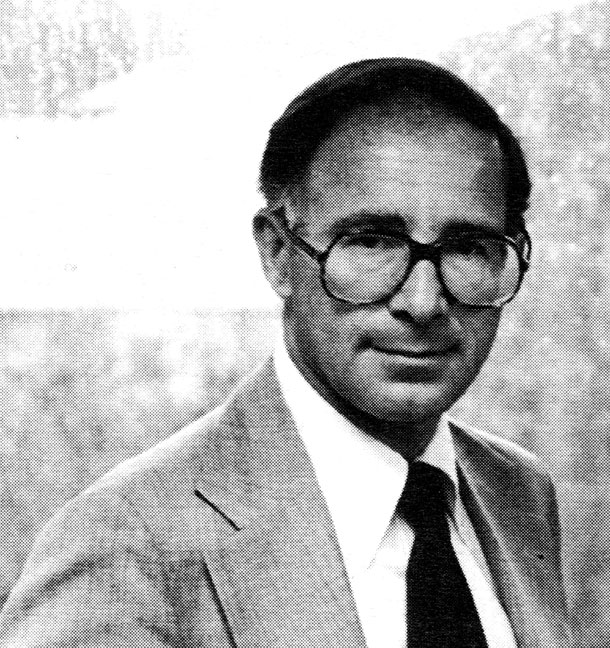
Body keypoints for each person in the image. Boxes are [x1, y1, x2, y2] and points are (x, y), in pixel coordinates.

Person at [0, 58, 570, 648]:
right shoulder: (127, 545)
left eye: (470, 247)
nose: (423, 302)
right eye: (371, 242)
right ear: (277, 254)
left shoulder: (517, 492)